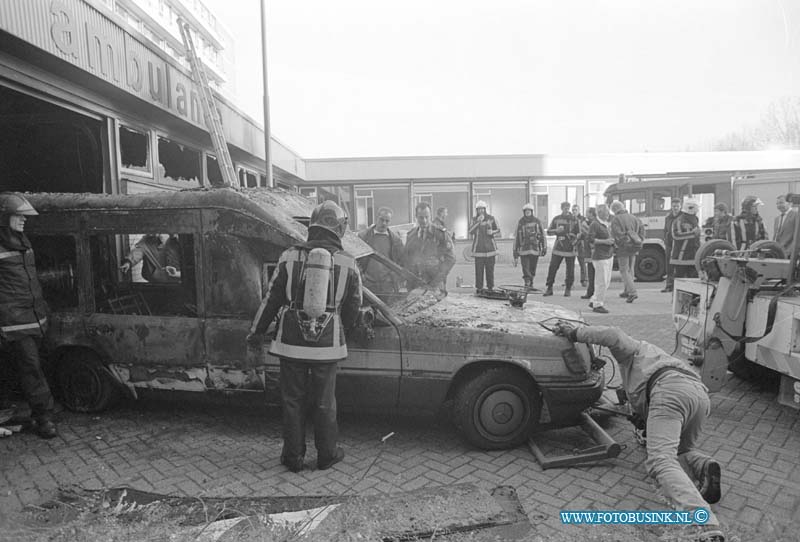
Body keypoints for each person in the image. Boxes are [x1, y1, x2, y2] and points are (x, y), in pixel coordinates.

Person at [553, 323, 724, 542]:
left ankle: (704, 525)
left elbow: (612, 335)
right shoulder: (652, 361)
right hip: (698, 396)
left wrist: (574, 333)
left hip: (668, 391)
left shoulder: (633, 350)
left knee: (660, 460)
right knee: (680, 452)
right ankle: (703, 465)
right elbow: (624, 404)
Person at [246, 201, 362, 473]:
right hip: (327, 347)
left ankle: (293, 458)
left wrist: (255, 334)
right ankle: (327, 455)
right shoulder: (348, 262)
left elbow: (271, 300)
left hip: (291, 344)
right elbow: (353, 309)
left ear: (312, 225)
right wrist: (341, 333)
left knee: (292, 400)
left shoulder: (288, 257)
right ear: (340, 228)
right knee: (325, 402)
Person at [0, 193, 57, 439]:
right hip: (14, 322)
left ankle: (28, 411)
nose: (24, 220)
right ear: (5, 218)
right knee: (31, 368)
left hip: (34, 317)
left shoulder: (24, 242)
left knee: (29, 367)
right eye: (18, 216)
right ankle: (44, 418)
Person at [405, 202, 455, 291]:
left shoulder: (440, 234)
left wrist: (436, 281)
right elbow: (407, 259)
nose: (424, 220)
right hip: (415, 285)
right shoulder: (411, 235)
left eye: (427, 217)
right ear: (416, 217)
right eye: (421, 217)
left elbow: (450, 259)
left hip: (435, 284)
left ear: (430, 216)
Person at [358, 207, 404, 300]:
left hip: (387, 285)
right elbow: (356, 259)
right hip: (367, 284)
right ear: (376, 218)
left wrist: (394, 277)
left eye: (387, 221)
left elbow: (401, 262)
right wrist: (361, 275)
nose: (384, 223)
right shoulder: (363, 237)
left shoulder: (395, 241)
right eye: (381, 220)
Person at [610, 200, 645, 303]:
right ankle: (626, 290)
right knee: (631, 269)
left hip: (623, 248)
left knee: (624, 270)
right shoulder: (634, 218)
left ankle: (632, 292)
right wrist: (640, 240)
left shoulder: (616, 219)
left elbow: (617, 234)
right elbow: (642, 230)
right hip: (635, 246)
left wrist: (621, 243)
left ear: (615, 210)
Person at [544, 202, 580, 297]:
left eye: (568, 208)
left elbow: (579, 233)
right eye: (565, 208)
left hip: (570, 248)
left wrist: (575, 241)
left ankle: (568, 288)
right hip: (558, 247)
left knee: (570, 270)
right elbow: (548, 232)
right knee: (553, 268)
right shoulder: (556, 219)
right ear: (561, 208)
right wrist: (556, 231)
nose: (566, 209)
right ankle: (549, 287)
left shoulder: (575, 219)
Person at [586, 204, 614, 313]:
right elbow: (590, 239)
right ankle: (598, 304)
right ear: (600, 213)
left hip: (608, 255)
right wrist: (605, 241)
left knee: (606, 281)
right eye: (606, 212)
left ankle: (593, 300)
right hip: (600, 256)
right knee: (601, 281)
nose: (608, 214)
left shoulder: (605, 224)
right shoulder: (595, 224)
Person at [512, 203, 546, 291]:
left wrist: (544, 247)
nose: (527, 212)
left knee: (533, 267)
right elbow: (516, 237)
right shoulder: (521, 222)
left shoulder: (537, 221)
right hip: (524, 249)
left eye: (529, 211)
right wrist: (515, 251)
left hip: (535, 249)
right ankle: (527, 282)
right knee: (525, 267)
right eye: (526, 211)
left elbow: (542, 235)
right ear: (524, 212)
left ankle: (531, 282)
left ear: (532, 211)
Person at [468, 201, 500, 292]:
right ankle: (479, 287)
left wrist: (492, 232)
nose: (481, 211)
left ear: (485, 209)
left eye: (482, 209)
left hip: (491, 249)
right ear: (476, 210)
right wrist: (478, 222)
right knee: (479, 270)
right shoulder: (474, 219)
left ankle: (490, 287)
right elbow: (470, 231)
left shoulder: (491, 218)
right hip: (478, 249)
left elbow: (498, 229)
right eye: (479, 209)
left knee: (490, 270)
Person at [670, 200, 702, 279]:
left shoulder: (695, 219)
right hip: (681, 257)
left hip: (693, 255)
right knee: (680, 281)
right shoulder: (679, 221)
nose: (697, 212)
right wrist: (693, 233)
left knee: (694, 281)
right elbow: (676, 236)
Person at [662, 197, 683, 293]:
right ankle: (669, 285)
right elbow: (665, 230)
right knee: (669, 265)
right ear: (671, 206)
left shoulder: (683, 217)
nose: (675, 208)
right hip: (669, 244)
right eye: (674, 206)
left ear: (680, 206)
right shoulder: (668, 217)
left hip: (679, 245)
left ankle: (678, 286)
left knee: (679, 266)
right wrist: (665, 240)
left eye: (677, 206)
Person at [578, 207, 596, 301]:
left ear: (592, 214)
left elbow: (591, 236)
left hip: (594, 252)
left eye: (587, 213)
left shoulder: (594, 224)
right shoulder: (588, 223)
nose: (586, 214)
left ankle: (592, 292)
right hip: (589, 252)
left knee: (594, 274)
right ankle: (590, 291)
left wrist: (584, 233)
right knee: (591, 273)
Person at [572, 205, 589, 287]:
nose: (574, 211)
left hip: (581, 243)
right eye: (573, 210)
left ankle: (584, 279)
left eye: (575, 210)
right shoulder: (570, 219)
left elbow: (586, 231)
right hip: (572, 243)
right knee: (570, 263)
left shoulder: (583, 219)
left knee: (582, 262)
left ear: (579, 210)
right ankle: (569, 280)